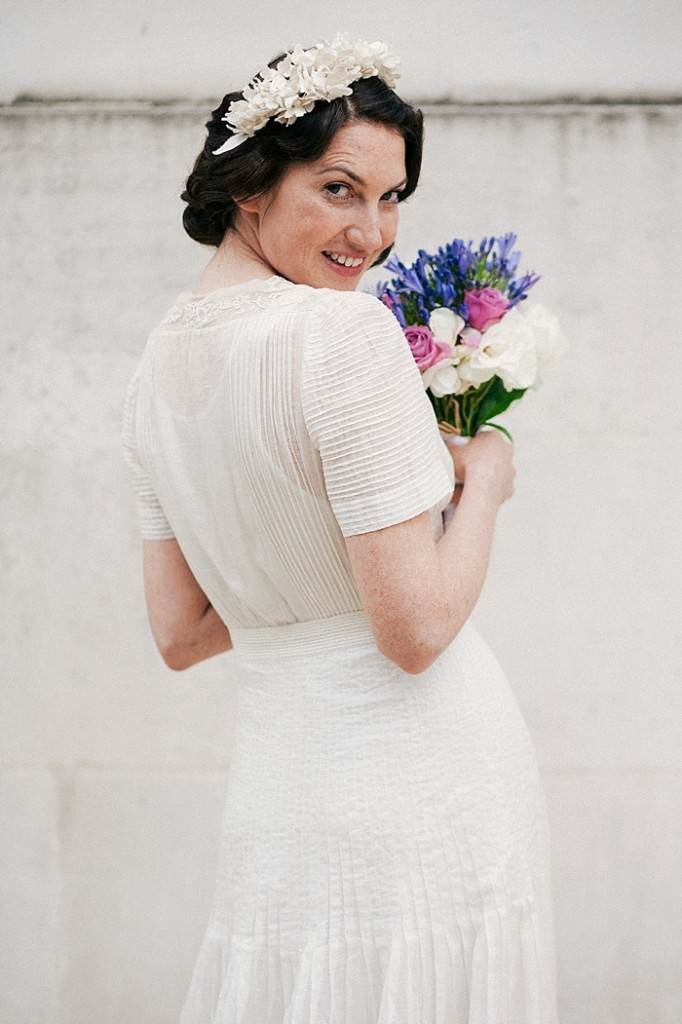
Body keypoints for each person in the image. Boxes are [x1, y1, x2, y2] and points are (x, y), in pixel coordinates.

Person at [121, 32, 560, 1023]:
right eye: (337, 188)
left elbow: (182, 633)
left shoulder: (153, 371)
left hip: (283, 798)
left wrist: (328, 556)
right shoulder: (342, 332)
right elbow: (412, 632)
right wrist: (482, 483)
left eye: (392, 196)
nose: (372, 232)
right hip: (420, 785)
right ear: (250, 186)